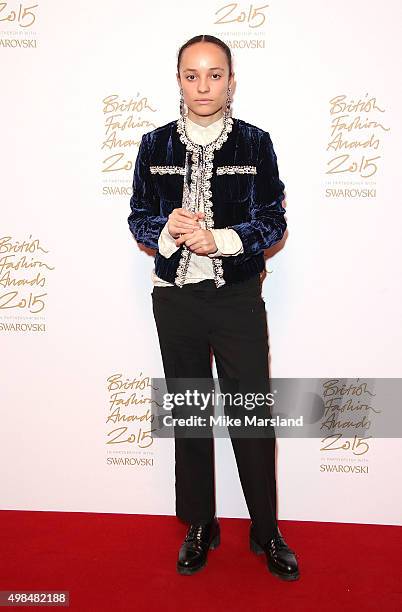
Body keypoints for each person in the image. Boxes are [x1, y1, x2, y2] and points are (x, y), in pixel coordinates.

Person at [127, 34, 300, 581]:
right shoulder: (153, 146)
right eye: (192, 75)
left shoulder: (255, 144)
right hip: (174, 300)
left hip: (237, 299)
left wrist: (223, 239)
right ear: (178, 80)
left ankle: (266, 529)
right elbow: (137, 217)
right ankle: (200, 523)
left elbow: (273, 221)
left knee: (251, 413)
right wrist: (168, 232)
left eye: (215, 74)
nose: (204, 86)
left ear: (231, 80)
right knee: (190, 411)